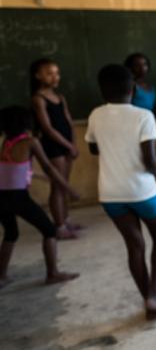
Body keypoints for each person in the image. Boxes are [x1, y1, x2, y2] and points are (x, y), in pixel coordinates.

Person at [85, 64, 156, 320]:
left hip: (110, 193)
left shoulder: (95, 115)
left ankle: (148, 299)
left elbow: (92, 149)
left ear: (101, 91)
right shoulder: (143, 116)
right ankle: (154, 296)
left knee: (134, 246)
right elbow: (150, 161)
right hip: (142, 191)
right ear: (133, 88)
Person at [0, 105, 80, 288]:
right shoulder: (31, 141)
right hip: (18, 197)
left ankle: (1, 276)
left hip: (1, 197)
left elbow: (13, 169)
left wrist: (38, 177)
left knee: (11, 233)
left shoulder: (6, 142)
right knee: (50, 231)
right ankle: (52, 273)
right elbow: (49, 167)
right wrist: (68, 189)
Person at [29, 58, 79, 239]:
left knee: (64, 182)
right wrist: (67, 145)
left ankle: (65, 220)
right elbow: (47, 128)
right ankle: (58, 226)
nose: (55, 77)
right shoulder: (38, 98)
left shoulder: (60, 97)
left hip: (66, 144)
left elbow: (69, 122)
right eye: (49, 73)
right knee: (58, 186)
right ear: (37, 76)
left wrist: (73, 143)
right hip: (53, 146)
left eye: (56, 73)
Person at [124, 53, 156, 146]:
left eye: (144, 64)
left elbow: (155, 110)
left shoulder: (150, 87)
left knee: (148, 153)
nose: (142, 67)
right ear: (130, 68)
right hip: (134, 127)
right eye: (137, 65)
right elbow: (126, 109)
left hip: (148, 126)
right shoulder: (131, 86)